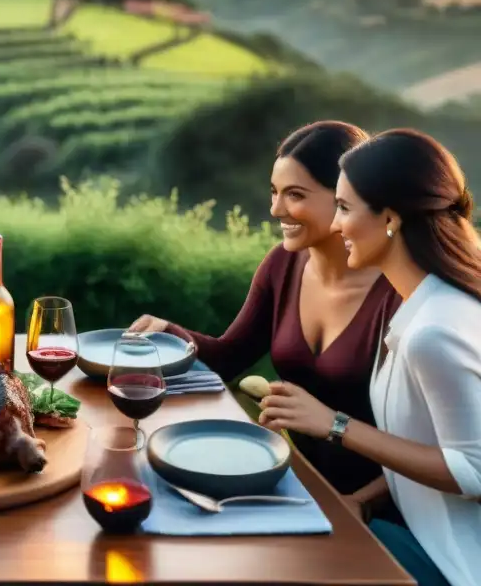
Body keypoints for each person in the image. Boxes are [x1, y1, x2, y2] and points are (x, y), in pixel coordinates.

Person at [129, 120, 402, 503]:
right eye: (274, 192)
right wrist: (166, 331)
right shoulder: (282, 265)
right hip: (296, 485)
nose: (276, 209)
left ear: (346, 196)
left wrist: (360, 504)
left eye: (295, 194)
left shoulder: (398, 294)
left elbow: (433, 446)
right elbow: (228, 357)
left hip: (379, 510)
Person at [259, 128, 480, 586]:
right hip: (412, 531)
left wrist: (335, 425)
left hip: (450, 559)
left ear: (390, 219)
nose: (336, 225)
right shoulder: (421, 307)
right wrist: (363, 501)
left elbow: (474, 471)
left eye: (343, 208)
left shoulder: (433, 330)